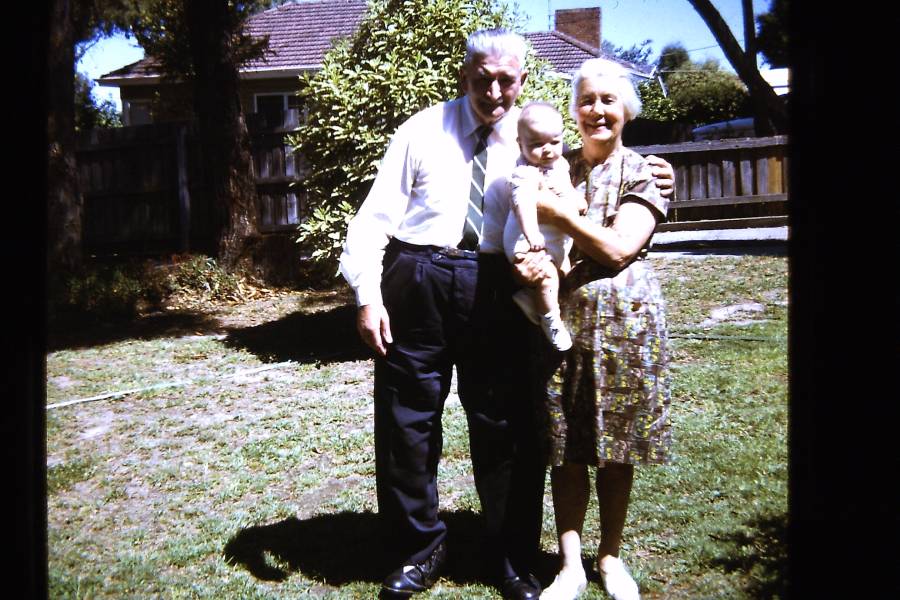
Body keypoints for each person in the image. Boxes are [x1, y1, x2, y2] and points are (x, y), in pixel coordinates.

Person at [339, 29, 674, 599]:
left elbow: (601, 167)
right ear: (465, 76)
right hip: (418, 275)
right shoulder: (422, 129)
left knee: (503, 424)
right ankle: (418, 550)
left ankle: (512, 556)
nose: (494, 91)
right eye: (482, 78)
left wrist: (658, 169)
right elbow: (375, 217)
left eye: (506, 80)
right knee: (407, 422)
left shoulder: (536, 139)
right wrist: (368, 293)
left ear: (521, 80)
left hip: (494, 281)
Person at [527, 58, 674, 600]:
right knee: (563, 449)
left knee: (617, 450)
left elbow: (617, 248)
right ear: (575, 111)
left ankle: (609, 557)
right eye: (586, 100)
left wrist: (560, 217)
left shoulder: (644, 172)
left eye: (608, 100)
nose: (597, 110)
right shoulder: (554, 166)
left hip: (627, 330)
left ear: (627, 110)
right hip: (560, 329)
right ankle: (569, 566)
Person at [503, 102, 587, 351]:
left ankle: (530, 300)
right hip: (526, 239)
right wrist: (532, 235)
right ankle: (550, 321)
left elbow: (564, 188)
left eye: (554, 142)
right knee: (547, 275)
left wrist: (575, 200)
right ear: (521, 144)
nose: (547, 150)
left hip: (554, 240)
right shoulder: (525, 173)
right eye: (537, 145)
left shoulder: (559, 164)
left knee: (561, 274)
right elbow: (522, 205)